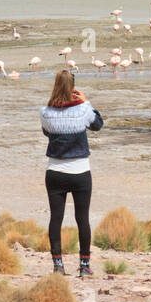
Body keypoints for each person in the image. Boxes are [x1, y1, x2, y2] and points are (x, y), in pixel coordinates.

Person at [40, 69, 103, 276]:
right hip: (80, 172)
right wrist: (86, 102)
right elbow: (97, 125)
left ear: (55, 85)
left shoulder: (45, 112)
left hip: (55, 171)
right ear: (73, 86)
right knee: (82, 218)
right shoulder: (83, 110)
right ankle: (84, 266)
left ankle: (58, 265)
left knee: (55, 218)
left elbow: (47, 132)